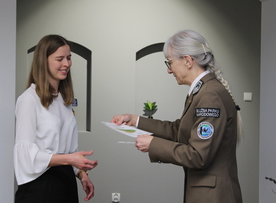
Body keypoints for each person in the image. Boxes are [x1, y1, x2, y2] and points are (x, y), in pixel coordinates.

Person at [111, 30, 243, 203]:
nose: (168, 70)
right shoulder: (201, 91)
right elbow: (179, 130)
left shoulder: (210, 95)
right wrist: (135, 120)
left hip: (214, 196)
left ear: (188, 61)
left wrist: (153, 144)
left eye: (170, 62)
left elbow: (198, 156)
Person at [14, 34, 98, 203]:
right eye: (59, 59)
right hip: (39, 188)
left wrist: (82, 175)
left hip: (65, 183)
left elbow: (69, 150)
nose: (66, 64)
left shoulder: (64, 100)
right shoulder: (28, 100)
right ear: (43, 62)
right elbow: (25, 156)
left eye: (68, 58)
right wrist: (68, 159)